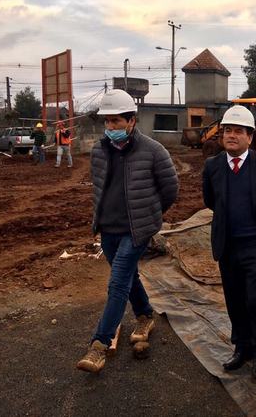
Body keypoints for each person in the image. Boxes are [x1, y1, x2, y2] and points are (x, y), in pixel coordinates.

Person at [77, 89, 179, 373]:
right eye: (107, 122)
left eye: (116, 122)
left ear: (132, 121)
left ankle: (98, 345)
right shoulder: (99, 151)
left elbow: (171, 189)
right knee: (129, 276)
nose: (111, 128)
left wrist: (151, 215)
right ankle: (145, 315)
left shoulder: (154, 151)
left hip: (137, 230)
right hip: (108, 228)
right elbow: (99, 189)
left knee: (118, 281)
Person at [202, 105, 256, 379]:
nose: (232, 135)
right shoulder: (212, 166)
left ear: (250, 137)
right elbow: (210, 201)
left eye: (239, 131)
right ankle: (242, 348)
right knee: (234, 298)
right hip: (228, 244)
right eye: (228, 130)